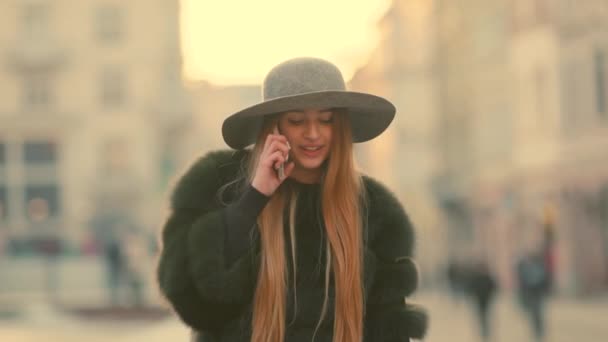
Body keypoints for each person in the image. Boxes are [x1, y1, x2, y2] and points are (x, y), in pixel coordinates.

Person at [156, 57, 428, 341]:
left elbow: (389, 328)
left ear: (341, 127)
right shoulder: (219, 186)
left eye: (326, 120)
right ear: (272, 128)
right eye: (297, 121)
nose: (313, 134)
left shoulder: (374, 208)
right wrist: (256, 196)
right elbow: (190, 298)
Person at [516, 251, 549, 342]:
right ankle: (538, 330)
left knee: (536, 313)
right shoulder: (533, 268)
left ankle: (538, 330)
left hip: (534, 294)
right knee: (536, 313)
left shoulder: (533, 268)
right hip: (533, 294)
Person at [464, 261, 497, 342]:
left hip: (486, 300)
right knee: (481, 316)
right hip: (478, 300)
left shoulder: (487, 277)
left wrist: (490, 296)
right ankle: (483, 331)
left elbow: (493, 287)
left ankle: (486, 331)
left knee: (485, 316)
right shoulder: (475, 278)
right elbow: (470, 288)